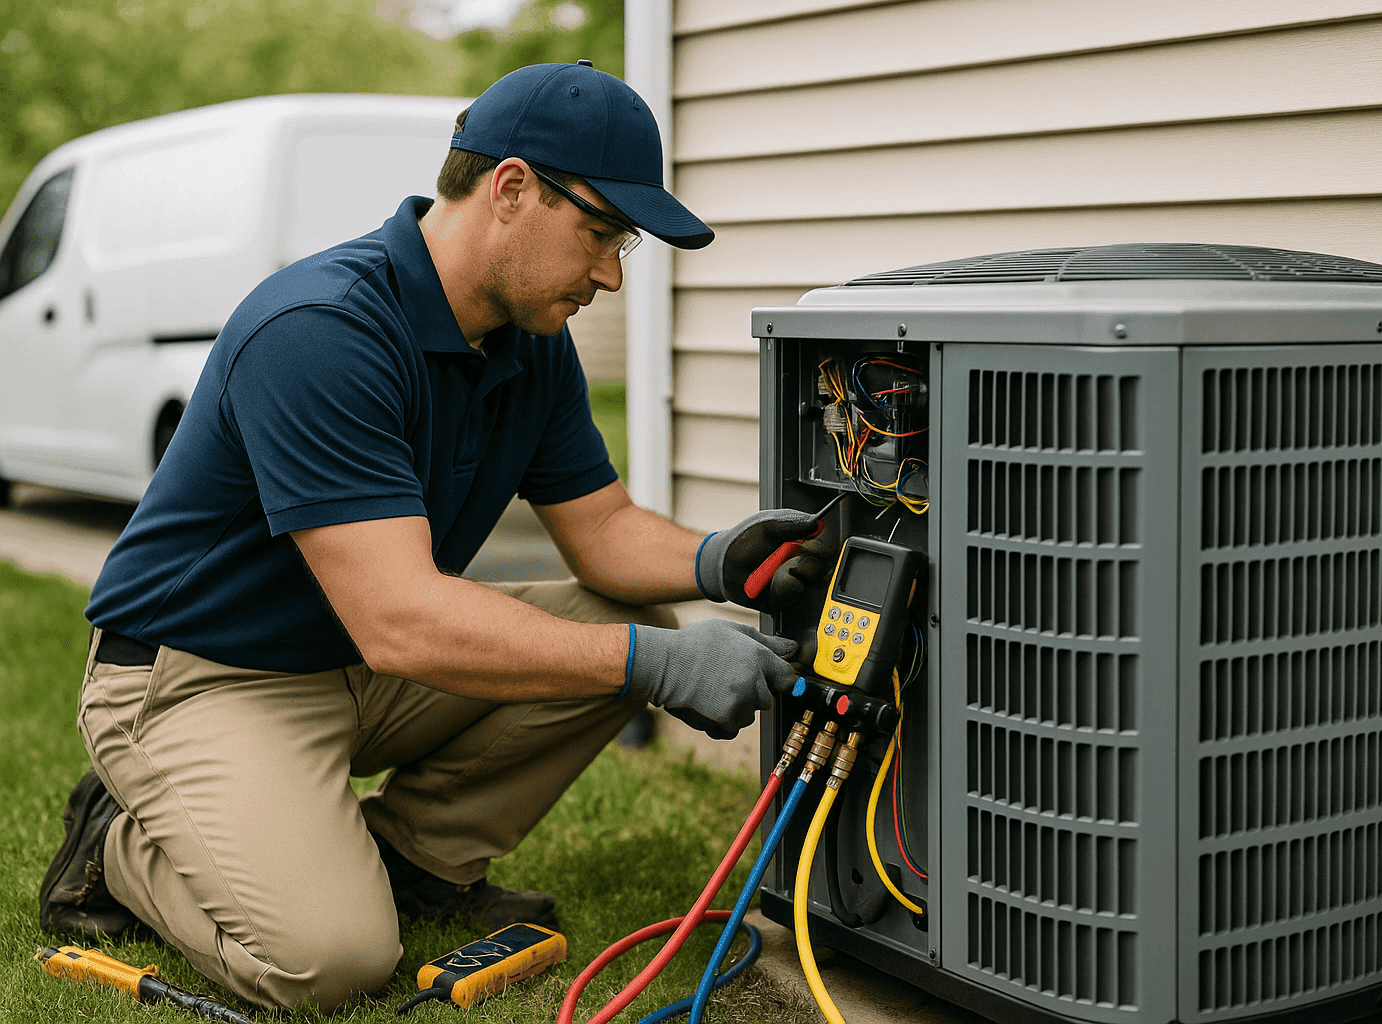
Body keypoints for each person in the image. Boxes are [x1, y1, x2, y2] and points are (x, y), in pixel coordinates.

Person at [38, 62, 828, 1013]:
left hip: (354, 660)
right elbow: (402, 621)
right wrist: (652, 668)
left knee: (624, 610)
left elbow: (604, 532)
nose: (613, 274)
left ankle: (417, 860)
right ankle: (121, 843)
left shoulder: (530, 344)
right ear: (511, 188)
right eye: (602, 233)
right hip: (202, 675)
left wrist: (722, 562)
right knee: (331, 962)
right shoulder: (322, 331)